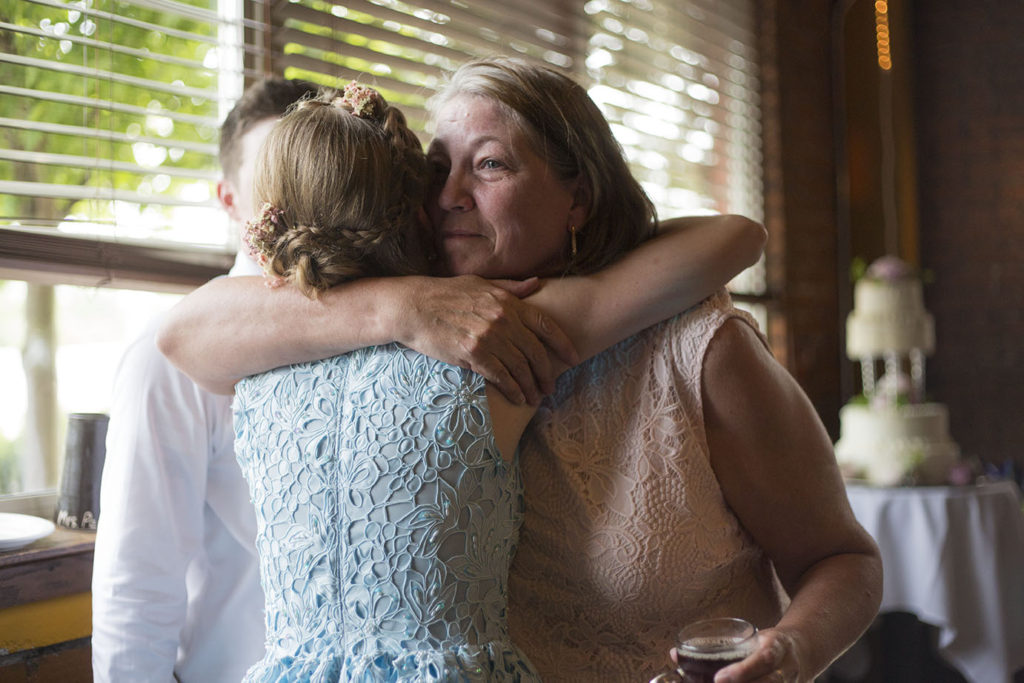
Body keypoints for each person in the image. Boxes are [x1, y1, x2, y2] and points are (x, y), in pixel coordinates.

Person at [159, 57, 880, 683]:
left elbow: (843, 558)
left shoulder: (698, 353)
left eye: (492, 164)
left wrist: (789, 651)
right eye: (437, 170)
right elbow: (186, 332)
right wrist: (403, 306)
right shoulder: (390, 352)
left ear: (579, 198)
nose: (449, 196)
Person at [91, 77, 319, 682]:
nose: (296, 199)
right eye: (275, 177)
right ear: (229, 199)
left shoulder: (388, 329)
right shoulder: (163, 359)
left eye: (311, 170)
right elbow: (136, 590)